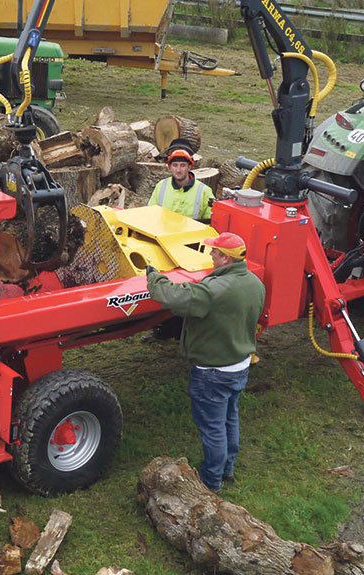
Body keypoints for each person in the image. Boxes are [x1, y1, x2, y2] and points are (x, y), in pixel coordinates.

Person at [145, 232, 265, 492]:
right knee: (229, 418)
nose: (210, 255)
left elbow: (174, 298)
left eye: (214, 252)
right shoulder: (255, 283)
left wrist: (154, 277)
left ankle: (211, 483)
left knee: (212, 429)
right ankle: (227, 468)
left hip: (213, 372)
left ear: (225, 258)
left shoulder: (215, 290)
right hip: (239, 365)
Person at [148, 139, 214, 221]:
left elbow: (211, 222)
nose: (178, 170)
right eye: (175, 165)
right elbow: (150, 215)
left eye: (183, 165)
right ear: (170, 167)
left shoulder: (205, 191)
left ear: (189, 167)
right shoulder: (161, 186)